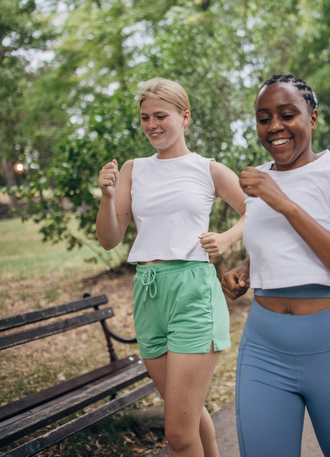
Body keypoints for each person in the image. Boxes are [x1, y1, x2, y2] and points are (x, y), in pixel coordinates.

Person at [221, 74, 330, 457]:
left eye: (287, 114)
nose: (274, 126)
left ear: (313, 118)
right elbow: (278, 245)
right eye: (263, 118)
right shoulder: (260, 181)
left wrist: (287, 204)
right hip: (264, 346)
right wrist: (246, 268)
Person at [96, 77, 246, 457]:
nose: (152, 125)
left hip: (193, 290)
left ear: (185, 117)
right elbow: (110, 238)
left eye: (160, 115)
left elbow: (259, 213)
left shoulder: (208, 170)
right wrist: (108, 196)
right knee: (189, 417)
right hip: (148, 292)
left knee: (177, 434)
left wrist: (227, 238)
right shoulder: (133, 169)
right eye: (145, 117)